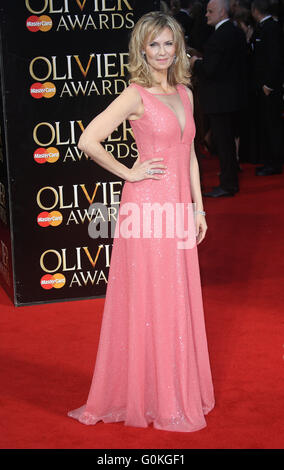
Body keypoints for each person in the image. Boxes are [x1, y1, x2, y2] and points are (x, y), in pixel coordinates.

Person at [68, 11, 215, 432]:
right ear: (142, 49)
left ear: (178, 47)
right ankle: (151, 396)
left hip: (177, 208)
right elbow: (88, 139)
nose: (163, 52)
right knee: (154, 300)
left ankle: (171, 389)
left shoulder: (184, 92)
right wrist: (130, 172)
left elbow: (188, 153)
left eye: (169, 43)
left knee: (175, 298)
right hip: (148, 209)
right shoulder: (136, 94)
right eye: (155, 44)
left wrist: (198, 208)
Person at [190, 0, 248, 197]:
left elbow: (210, 69)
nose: (206, 14)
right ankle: (229, 178)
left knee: (223, 144)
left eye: (210, 11)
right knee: (228, 142)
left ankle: (228, 184)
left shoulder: (219, 37)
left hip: (220, 99)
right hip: (233, 97)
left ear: (223, 12)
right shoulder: (236, 33)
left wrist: (195, 63)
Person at [250, 0, 283, 175]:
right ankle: (269, 160)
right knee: (267, 124)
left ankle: (275, 163)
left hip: (269, 88)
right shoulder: (263, 28)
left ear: (255, 10)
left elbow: (275, 59)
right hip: (262, 87)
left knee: (273, 125)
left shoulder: (271, 29)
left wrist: (269, 84)